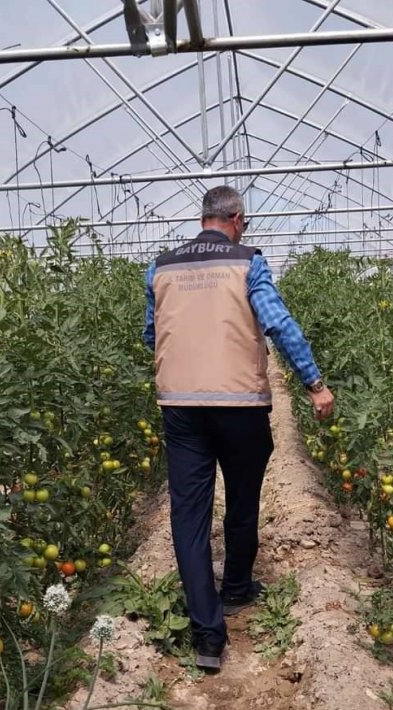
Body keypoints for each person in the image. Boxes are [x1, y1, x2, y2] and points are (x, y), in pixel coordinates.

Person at [143, 185, 334, 671]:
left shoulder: (161, 266)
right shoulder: (248, 261)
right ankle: (236, 588)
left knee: (188, 515)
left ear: (204, 217)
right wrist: (313, 383)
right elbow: (278, 323)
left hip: (180, 405)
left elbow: (151, 332)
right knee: (243, 498)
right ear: (238, 220)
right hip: (240, 403)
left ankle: (208, 636)